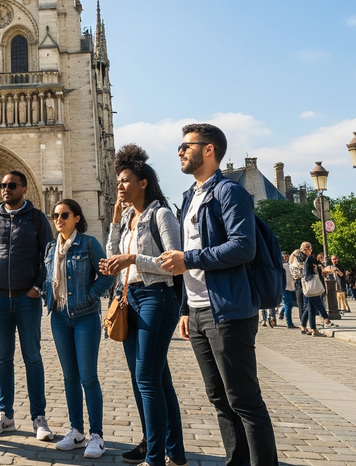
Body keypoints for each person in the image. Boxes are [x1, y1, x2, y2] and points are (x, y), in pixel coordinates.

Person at [160, 123, 278, 466]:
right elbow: (189, 257)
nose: (180, 151)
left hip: (227, 309)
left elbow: (243, 247)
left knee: (244, 399)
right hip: (197, 311)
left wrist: (189, 260)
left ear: (208, 149)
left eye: (186, 146)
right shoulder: (188, 196)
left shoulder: (229, 192)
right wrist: (185, 307)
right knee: (219, 399)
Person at [100, 145, 188, 466]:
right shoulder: (127, 219)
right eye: (118, 181)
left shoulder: (161, 214)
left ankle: (155, 457)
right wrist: (113, 225)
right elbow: (114, 256)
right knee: (155, 379)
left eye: (125, 181)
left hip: (157, 297)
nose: (120, 186)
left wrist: (134, 258)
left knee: (147, 379)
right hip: (130, 299)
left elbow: (174, 262)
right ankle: (172, 451)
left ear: (143, 183)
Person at [0, 170, 55, 441]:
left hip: (26, 298)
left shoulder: (37, 218)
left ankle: (39, 418)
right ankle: (5, 415)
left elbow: (50, 255)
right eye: (2, 185)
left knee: (32, 357)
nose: (5, 189)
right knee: (2, 359)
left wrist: (38, 287)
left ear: (24, 189)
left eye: (11, 185)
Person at [44, 199, 114, 459]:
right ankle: (76, 431)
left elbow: (108, 274)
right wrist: (44, 295)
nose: (59, 219)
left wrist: (90, 295)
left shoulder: (89, 244)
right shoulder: (52, 247)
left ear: (76, 218)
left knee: (88, 377)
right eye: (55, 215)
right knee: (69, 377)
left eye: (64, 215)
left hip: (84, 317)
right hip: (59, 318)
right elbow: (47, 277)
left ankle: (96, 435)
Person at [300, 243, 335, 336]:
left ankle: (307, 328)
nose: (312, 249)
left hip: (305, 286)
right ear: (307, 249)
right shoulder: (310, 258)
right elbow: (321, 269)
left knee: (310, 308)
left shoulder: (298, 257)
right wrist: (330, 270)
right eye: (310, 248)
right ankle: (326, 320)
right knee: (318, 304)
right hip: (312, 286)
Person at [281, 253, 297, 329]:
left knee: (292, 303)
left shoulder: (293, 266)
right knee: (288, 305)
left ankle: (282, 310)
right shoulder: (284, 266)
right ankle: (289, 323)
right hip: (286, 288)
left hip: (293, 287)